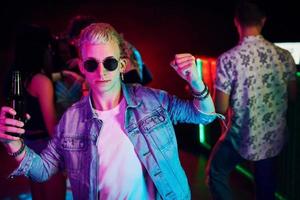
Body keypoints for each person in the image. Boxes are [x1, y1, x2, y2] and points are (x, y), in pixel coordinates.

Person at [0, 22, 220, 199]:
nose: (101, 72)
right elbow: (43, 170)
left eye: (110, 63)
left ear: (122, 66)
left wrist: (196, 82)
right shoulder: (72, 120)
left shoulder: (153, 101)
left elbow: (205, 116)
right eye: (91, 64)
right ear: (82, 67)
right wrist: (12, 142)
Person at [206, 2, 298, 200]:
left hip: (242, 137)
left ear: (236, 22)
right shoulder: (284, 56)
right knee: (265, 188)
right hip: (273, 136)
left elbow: (220, 108)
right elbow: (293, 96)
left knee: (216, 173)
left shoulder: (227, 59)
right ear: (263, 21)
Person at [2, 24, 66, 199]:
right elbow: (52, 127)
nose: (50, 51)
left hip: (28, 145)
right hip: (46, 148)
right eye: (48, 46)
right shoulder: (41, 81)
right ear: (39, 50)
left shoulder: (14, 77)